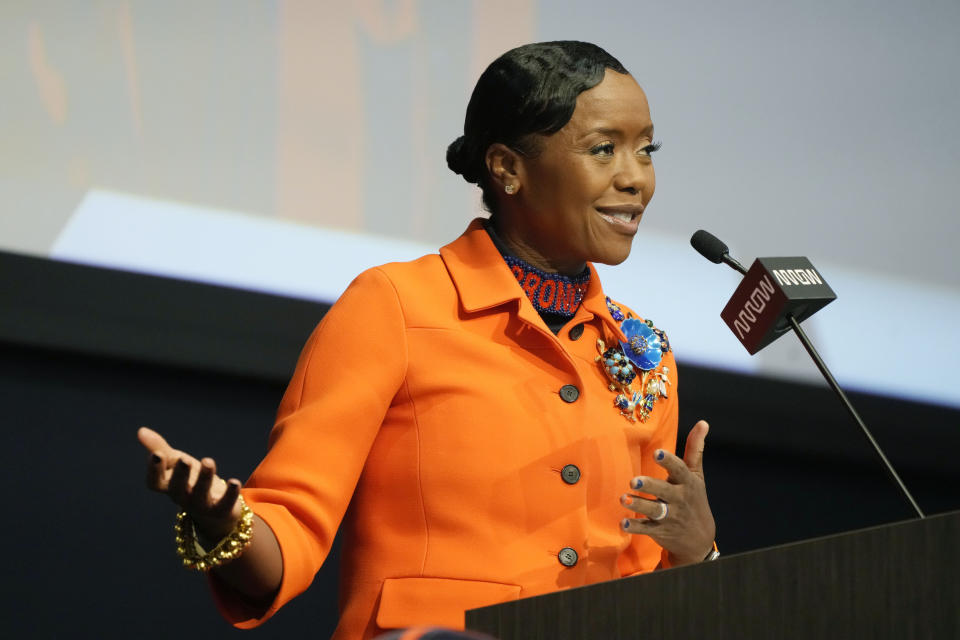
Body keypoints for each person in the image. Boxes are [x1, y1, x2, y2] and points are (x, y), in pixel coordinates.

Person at [138, 40, 716, 640]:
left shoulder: (641, 350)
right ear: (507, 168)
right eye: (604, 149)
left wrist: (697, 552)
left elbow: (649, 583)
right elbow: (289, 526)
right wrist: (221, 520)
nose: (636, 179)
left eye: (646, 150)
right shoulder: (394, 305)